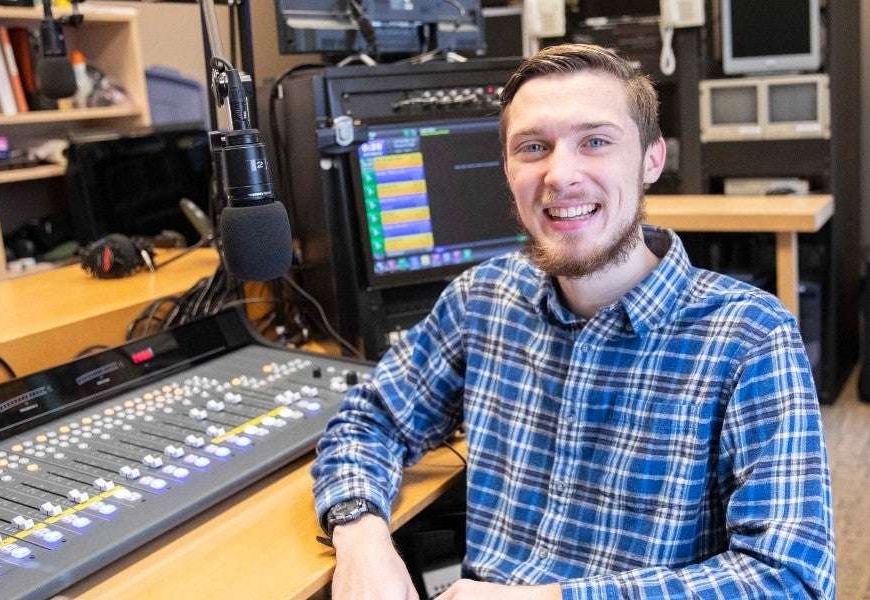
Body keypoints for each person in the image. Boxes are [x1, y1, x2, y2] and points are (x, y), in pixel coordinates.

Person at [311, 43, 835, 599]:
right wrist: (361, 536)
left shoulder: (749, 336)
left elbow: (792, 581)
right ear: (507, 168)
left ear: (652, 159)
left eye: (596, 142)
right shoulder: (484, 299)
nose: (560, 175)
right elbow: (370, 421)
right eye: (533, 147)